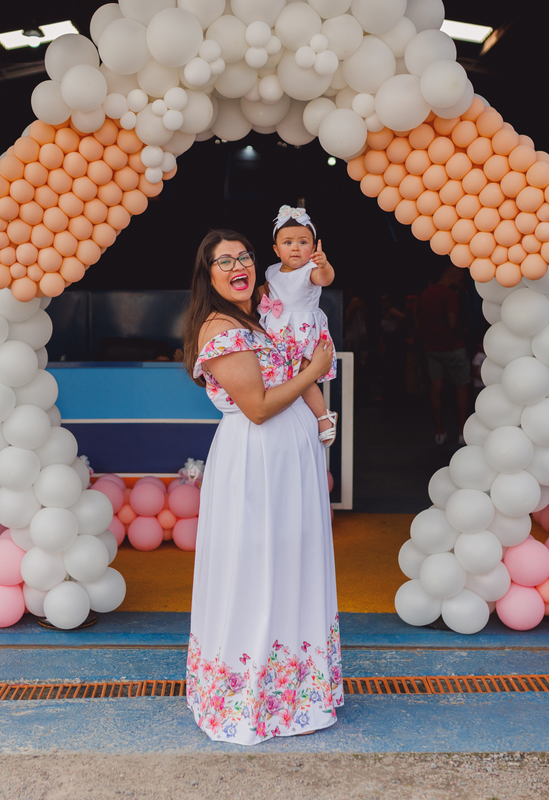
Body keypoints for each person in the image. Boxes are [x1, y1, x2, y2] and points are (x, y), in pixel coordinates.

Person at [182, 229, 343, 745]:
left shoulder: (261, 315)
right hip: (256, 461)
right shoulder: (220, 328)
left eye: (244, 255)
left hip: (289, 460)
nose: (238, 265)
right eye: (223, 261)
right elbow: (257, 408)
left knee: (292, 567)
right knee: (256, 570)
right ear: (208, 276)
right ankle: (249, 700)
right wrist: (316, 369)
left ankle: (297, 695)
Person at [256, 205, 338, 445]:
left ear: (313, 249)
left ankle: (324, 417)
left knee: (303, 374)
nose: (295, 247)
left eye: (303, 242)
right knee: (278, 375)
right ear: (276, 249)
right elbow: (265, 293)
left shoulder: (310, 271)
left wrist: (323, 265)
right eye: (288, 242)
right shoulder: (271, 271)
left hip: (300, 332)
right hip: (276, 330)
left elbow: (326, 279)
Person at [417, 265, 471, 445]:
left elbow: (418, 323)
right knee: (461, 387)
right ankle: (463, 431)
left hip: (432, 348)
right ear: (455, 276)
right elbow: (453, 322)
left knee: (436, 386)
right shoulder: (448, 295)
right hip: (452, 347)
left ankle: (439, 431)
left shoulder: (425, 294)